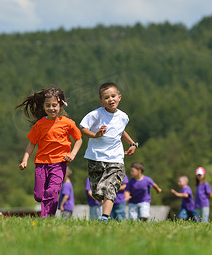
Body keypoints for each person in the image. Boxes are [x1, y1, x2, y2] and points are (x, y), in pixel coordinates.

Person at [17, 87, 82, 218]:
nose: (51, 108)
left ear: (60, 105)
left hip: (59, 163)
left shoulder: (67, 123)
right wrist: (25, 160)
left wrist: (72, 154)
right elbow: (31, 143)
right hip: (41, 163)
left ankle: (47, 218)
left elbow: (78, 139)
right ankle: (47, 211)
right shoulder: (40, 124)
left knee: (52, 191)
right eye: (48, 105)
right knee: (39, 195)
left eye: (54, 105)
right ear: (44, 106)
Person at [80, 82, 137, 222]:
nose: (110, 99)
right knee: (97, 191)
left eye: (113, 96)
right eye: (106, 97)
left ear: (119, 97)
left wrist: (132, 143)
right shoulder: (95, 115)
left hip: (116, 158)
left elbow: (120, 131)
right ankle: (105, 209)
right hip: (95, 157)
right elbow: (83, 128)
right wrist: (95, 135)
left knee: (110, 188)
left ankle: (104, 218)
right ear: (101, 101)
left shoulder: (123, 116)